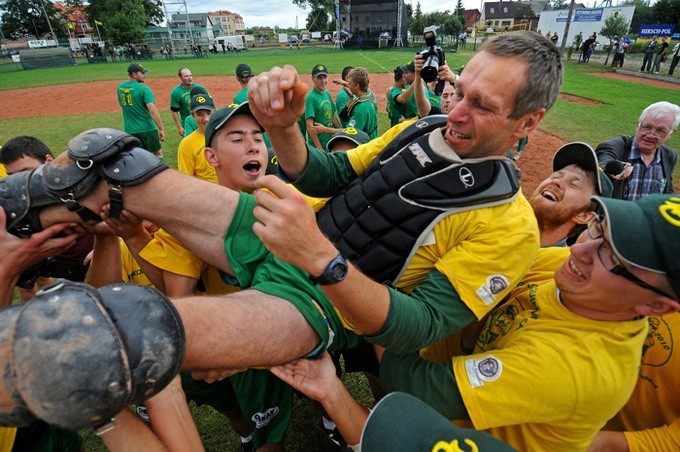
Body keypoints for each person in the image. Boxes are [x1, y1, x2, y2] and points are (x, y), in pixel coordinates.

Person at [0, 31, 562, 436]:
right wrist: (284, 128)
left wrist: (322, 261)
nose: (456, 110)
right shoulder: (425, 126)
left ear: (528, 122)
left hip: (315, 303)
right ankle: (16, 231)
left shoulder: (509, 225)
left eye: (480, 106)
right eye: (458, 89)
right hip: (287, 232)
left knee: (122, 335)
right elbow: (332, 174)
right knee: (105, 156)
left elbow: (420, 328)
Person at [375, 194, 680, 451]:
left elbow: (413, 384)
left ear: (655, 306)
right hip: (435, 394)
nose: (578, 249)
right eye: (599, 230)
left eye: (614, 259)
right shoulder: (570, 274)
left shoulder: (573, 364)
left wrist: (376, 307)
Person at [530, 142, 613, 247]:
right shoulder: (505, 220)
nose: (556, 182)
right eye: (555, 176)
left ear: (584, 215)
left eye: (573, 184)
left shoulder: (559, 262)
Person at [596, 101, 679, 200]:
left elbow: (667, 190)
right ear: (638, 125)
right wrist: (613, 169)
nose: (650, 135)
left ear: (671, 133)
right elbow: (604, 159)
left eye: (660, 130)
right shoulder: (614, 147)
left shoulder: (669, 156)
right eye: (647, 127)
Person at [117, 63, 165, 157]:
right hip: (148, 129)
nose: (145, 75)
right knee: (157, 154)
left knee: (137, 156)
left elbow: (122, 106)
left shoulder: (120, 87)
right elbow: (153, 110)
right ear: (134, 74)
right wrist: (161, 128)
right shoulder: (144, 89)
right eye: (142, 73)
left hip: (130, 130)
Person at [177, 93, 218, 183]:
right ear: (192, 115)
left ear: (214, 112)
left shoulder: (224, 137)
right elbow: (186, 179)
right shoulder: (187, 144)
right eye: (200, 114)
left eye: (209, 113)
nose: (206, 119)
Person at [305, 63, 341, 150]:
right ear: (313, 79)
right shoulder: (310, 98)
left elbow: (332, 115)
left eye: (325, 77)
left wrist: (340, 132)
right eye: (319, 78)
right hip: (318, 146)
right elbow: (310, 126)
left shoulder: (327, 94)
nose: (323, 81)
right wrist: (319, 148)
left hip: (330, 142)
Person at [335, 67, 378, 139]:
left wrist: (325, 129)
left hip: (365, 144)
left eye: (350, 83)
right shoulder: (369, 94)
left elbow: (349, 132)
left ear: (357, 86)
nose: (348, 85)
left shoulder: (361, 109)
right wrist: (344, 83)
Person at [170, 67, 205, 137]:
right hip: (187, 123)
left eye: (190, 75)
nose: (189, 78)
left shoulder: (200, 88)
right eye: (186, 76)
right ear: (180, 78)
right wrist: (179, 127)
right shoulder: (176, 92)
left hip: (201, 120)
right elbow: (174, 111)